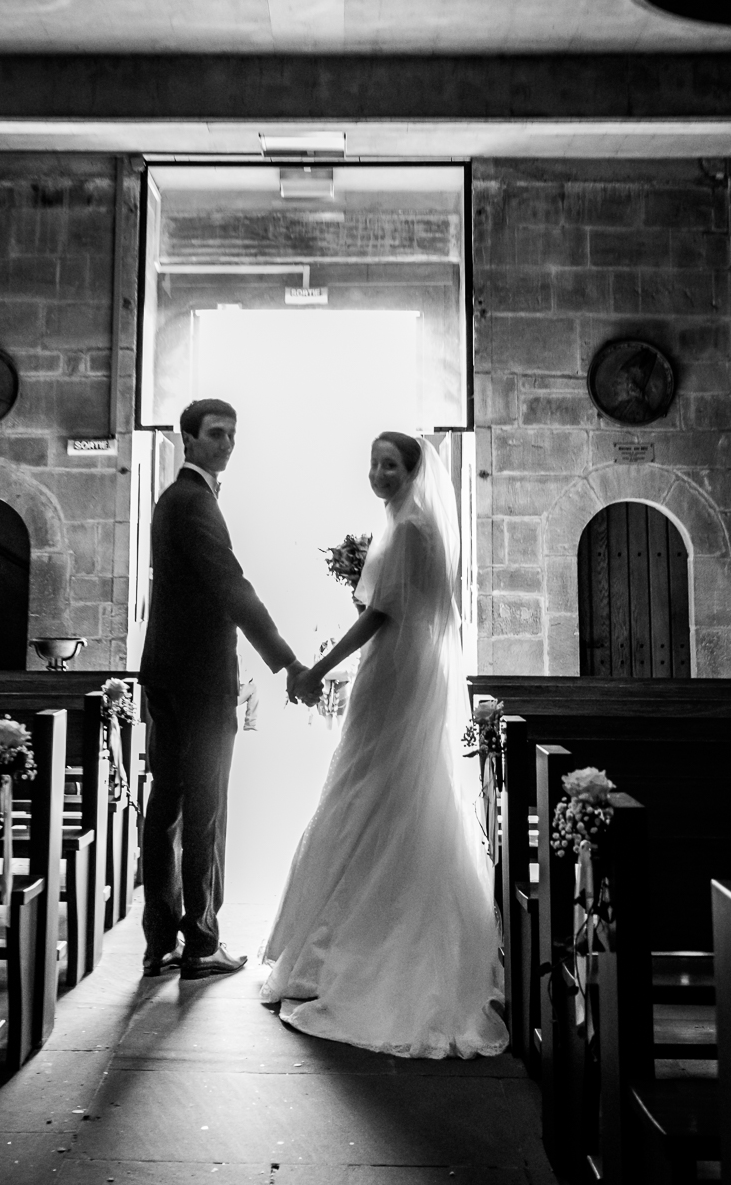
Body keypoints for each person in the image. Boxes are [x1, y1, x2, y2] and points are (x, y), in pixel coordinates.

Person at [260, 431, 508, 1058]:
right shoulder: (405, 524)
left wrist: (319, 666)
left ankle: (355, 956)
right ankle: (329, 950)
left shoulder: (413, 529)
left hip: (396, 670)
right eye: (373, 464)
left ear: (412, 471)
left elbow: (381, 614)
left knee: (377, 785)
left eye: (390, 465)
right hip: (399, 666)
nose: (378, 474)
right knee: (379, 786)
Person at [139, 398, 314, 980]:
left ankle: (160, 938)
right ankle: (201, 942)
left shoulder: (174, 500)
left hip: (165, 671)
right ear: (187, 440)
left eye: (233, 435)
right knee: (204, 808)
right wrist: (285, 660)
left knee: (165, 804)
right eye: (216, 433)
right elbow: (231, 586)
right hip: (197, 679)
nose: (228, 443)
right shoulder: (194, 502)